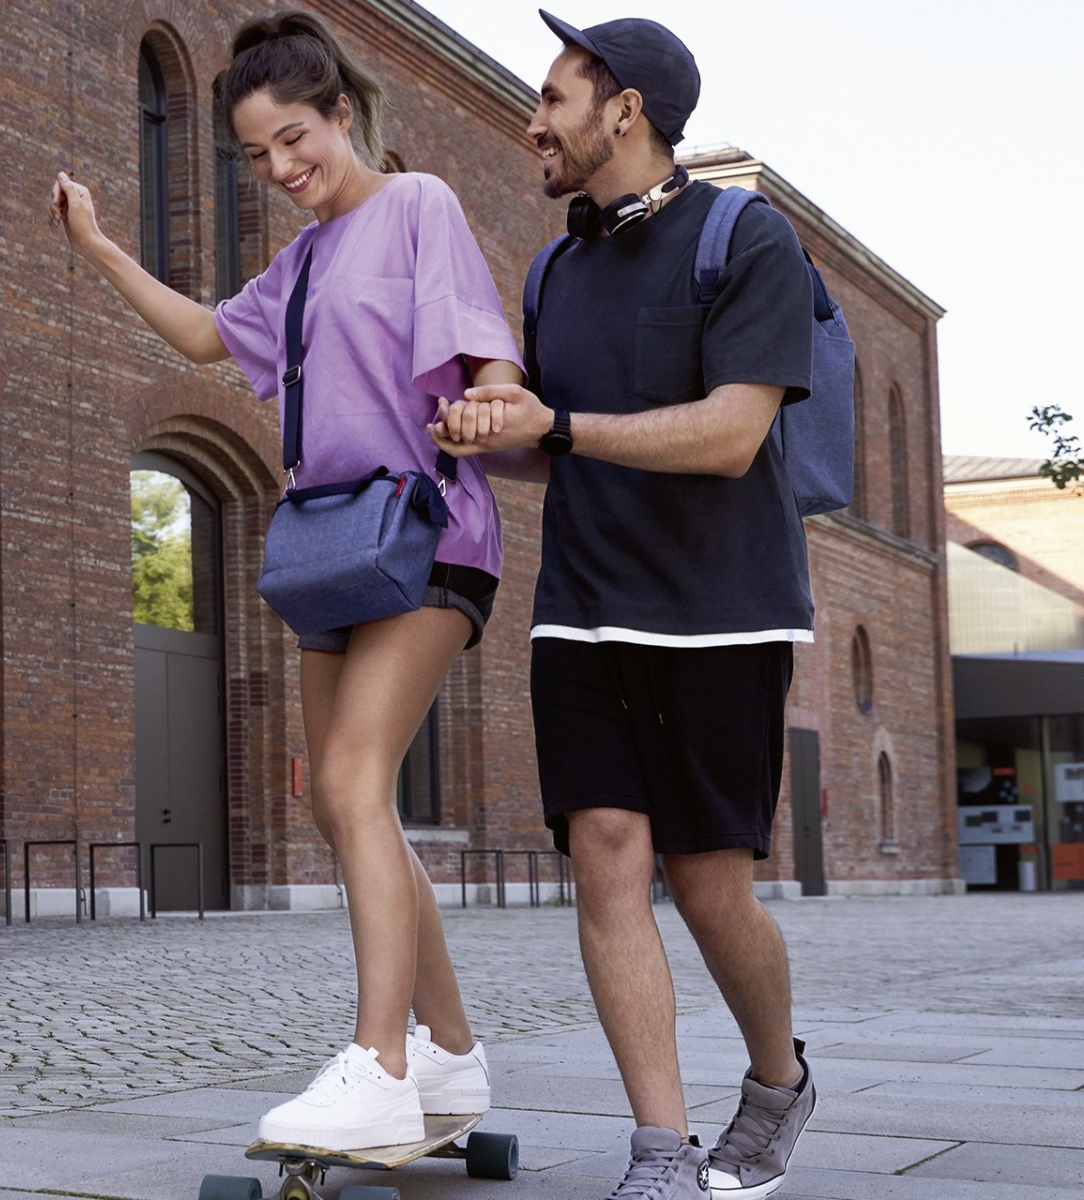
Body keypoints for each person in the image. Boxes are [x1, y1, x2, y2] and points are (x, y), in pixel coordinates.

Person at [49, 9, 524, 1152]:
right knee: (336, 798)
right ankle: (453, 1059)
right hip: (329, 546)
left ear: (343, 114)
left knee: (357, 777)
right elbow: (209, 340)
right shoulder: (297, 263)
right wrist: (101, 248)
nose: (282, 169)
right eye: (258, 155)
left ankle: (380, 1062)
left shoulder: (419, 207)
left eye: (296, 139)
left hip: (424, 530)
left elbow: (489, 350)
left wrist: (488, 399)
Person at [430, 10, 818, 1200]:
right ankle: (661, 1151)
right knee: (604, 860)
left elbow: (728, 433)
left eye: (554, 97)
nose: (532, 119)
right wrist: (484, 437)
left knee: (709, 884)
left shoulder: (746, 238)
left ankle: (775, 1080)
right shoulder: (556, 265)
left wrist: (558, 424)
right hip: (581, 605)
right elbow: (562, 445)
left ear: (625, 109)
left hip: (722, 610)